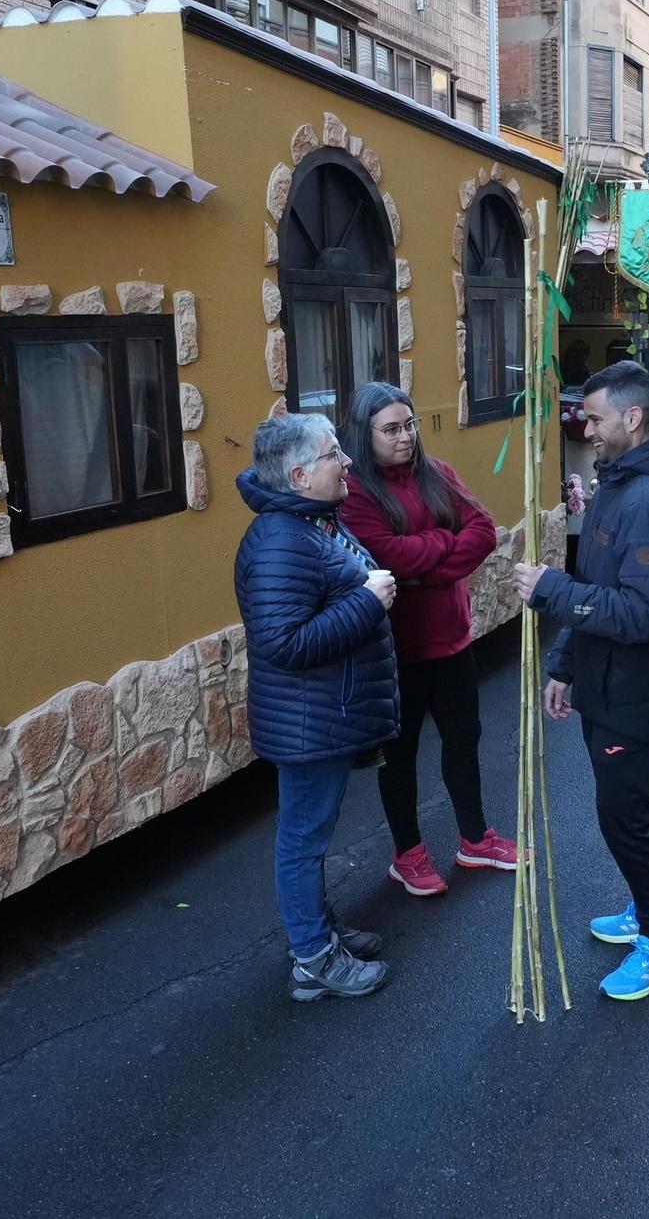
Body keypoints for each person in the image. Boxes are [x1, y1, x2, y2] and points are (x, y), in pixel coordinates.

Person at [513, 362, 649, 1002]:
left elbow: (642, 614)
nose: (583, 428)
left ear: (632, 418)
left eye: (592, 418)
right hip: (606, 681)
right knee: (635, 811)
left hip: (634, 693)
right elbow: (603, 587)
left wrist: (552, 592)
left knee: (624, 818)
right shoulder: (618, 484)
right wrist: (565, 662)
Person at [234, 413, 398, 1002]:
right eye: (335, 454)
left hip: (323, 717)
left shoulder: (310, 522)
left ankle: (319, 934)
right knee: (302, 838)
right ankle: (312, 957)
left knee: (310, 833)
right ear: (301, 474)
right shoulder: (282, 540)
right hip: (308, 724)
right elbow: (285, 644)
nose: (348, 461)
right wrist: (368, 603)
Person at [338, 382, 517, 899]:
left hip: (453, 639)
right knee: (401, 755)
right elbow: (385, 555)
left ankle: (475, 838)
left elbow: (483, 530)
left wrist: (427, 566)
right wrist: (442, 544)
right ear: (363, 434)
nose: (405, 438)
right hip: (397, 649)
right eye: (391, 429)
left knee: (464, 740)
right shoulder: (358, 494)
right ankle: (407, 853)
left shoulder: (437, 474)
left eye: (409, 425)